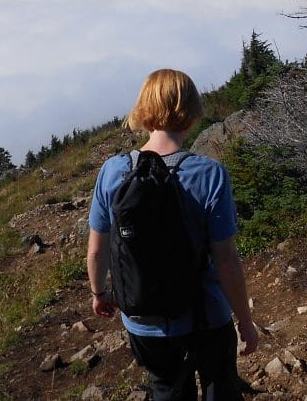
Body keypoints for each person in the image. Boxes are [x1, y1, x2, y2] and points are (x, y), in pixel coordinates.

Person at [86, 68, 258, 400]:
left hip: (143, 320)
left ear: (143, 110)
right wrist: (246, 321)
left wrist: (99, 293)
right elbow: (227, 262)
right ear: (191, 114)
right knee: (219, 390)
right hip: (206, 317)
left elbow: (97, 251)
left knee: (166, 388)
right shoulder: (210, 174)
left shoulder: (113, 170)